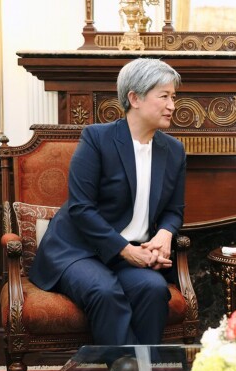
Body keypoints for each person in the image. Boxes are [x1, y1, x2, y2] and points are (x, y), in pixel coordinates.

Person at [30, 58, 186, 345]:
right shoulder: (97, 138)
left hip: (131, 255)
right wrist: (125, 250)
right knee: (104, 291)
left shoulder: (173, 151)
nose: (172, 106)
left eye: (173, 97)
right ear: (134, 98)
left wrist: (165, 234)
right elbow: (80, 208)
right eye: (164, 96)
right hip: (79, 251)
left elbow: (174, 211)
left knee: (153, 290)